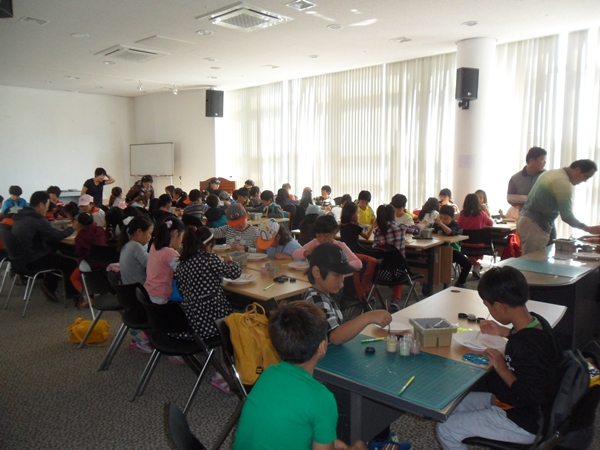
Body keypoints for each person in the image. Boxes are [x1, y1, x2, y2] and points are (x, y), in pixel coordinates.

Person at [436, 266, 562, 450]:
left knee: (446, 428)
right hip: (528, 406)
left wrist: (502, 369)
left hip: (527, 421)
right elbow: (530, 345)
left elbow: (531, 396)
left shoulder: (523, 346)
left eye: (488, 306)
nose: (488, 310)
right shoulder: (538, 322)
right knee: (450, 406)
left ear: (500, 307)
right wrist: (504, 331)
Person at [233, 300, 368, 450]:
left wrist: (329, 441)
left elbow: (284, 424)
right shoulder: (321, 398)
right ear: (322, 347)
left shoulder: (268, 373)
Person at [303, 243, 400, 449]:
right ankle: (369, 439)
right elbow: (336, 336)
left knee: (374, 382)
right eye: (337, 275)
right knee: (362, 395)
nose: (342, 281)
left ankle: (379, 436)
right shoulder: (315, 299)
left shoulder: (324, 295)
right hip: (322, 374)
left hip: (332, 362)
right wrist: (367, 317)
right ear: (317, 272)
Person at [518, 159, 600, 255]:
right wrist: (588, 229)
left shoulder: (552, 173)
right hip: (535, 224)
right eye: (586, 177)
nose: (585, 181)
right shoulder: (562, 183)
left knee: (533, 258)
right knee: (533, 260)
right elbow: (567, 216)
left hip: (527, 220)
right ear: (577, 170)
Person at [12, 191, 81, 301]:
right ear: (41, 205)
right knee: (70, 262)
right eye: (47, 205)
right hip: (33, 259)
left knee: (55, 254)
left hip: (21, 259)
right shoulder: (37, 219)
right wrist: (73, 228)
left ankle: (49, 285)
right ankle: (71, 293)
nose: (47, 208)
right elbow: (57, 236)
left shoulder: (20, 216)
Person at [173, 226, 240, 340]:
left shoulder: (181, 264)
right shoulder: (209, 259)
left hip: (190, 323)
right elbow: (235, 273)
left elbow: (181, 289)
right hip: (213, 320)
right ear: (208, 246)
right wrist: (230, 262)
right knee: (238, 313)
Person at [372, 204, 421, 307]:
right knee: (400, 264)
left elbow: (375, 248)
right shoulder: (401, 227)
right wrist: (423, 224)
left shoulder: (377, 231)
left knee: (376, 266)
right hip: (398, 273)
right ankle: (395, 300)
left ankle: (372, 296)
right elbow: (417, 231)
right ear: (394, 215)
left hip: (380, 273)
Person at [292, 215, 361, 271]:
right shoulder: (315, 243)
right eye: (319, 236)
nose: (322, 239)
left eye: (326, 236)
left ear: (334, 232)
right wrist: (309, 252)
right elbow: (295, 254)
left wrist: (340, 266)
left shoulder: (339, 246)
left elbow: (358, 263)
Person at [144, 217, 184, 304]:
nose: (181, 241)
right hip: (161, 299)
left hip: (148, 294)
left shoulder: (154, 246)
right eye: (182, 237)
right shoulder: (170, 253)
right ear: (176, 233)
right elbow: (184, 273)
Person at [69, 212, 107, 306]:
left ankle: (87, 298)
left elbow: (78, 253)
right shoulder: (100, 230)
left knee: (73, 278)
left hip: (89, 264)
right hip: (104, 263)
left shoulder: (80, 236)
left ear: (79, 223)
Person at [433, 205, 472, 288]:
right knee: (427, 262)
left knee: (468, 264)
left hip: (452, 250)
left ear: (452, 218)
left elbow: (450, 232)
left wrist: (441, 224)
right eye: (441, 218)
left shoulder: (455, 225)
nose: (442, 220)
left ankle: (460, 282)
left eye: (446, 218)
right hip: (436, 250)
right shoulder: (436, 224)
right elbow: (431, 231)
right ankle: (427, 283)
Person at [457, 193, 494, 278]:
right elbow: (491, 223)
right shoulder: (482, 213)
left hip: (465, 243)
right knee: (479, 251)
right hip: (480, 244)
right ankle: (477, 266)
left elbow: (458, 225)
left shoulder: (463, 214)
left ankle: (474, 264)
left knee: (468, 251)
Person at [507, 146, 547, 211]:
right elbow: (510, 199)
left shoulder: (547, 176)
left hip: (544, 215)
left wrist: (523, 199)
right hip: (523, 214)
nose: (545, 162)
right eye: (542, 159)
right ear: (532, 161)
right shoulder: (515, 179)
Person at [118, 215, 154, 285]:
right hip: (139, 288)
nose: (150, 237)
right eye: (149, 233)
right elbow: (152, 265)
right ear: (139, 232)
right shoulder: (135, 246)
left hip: (130, 287)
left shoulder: (127, 245)